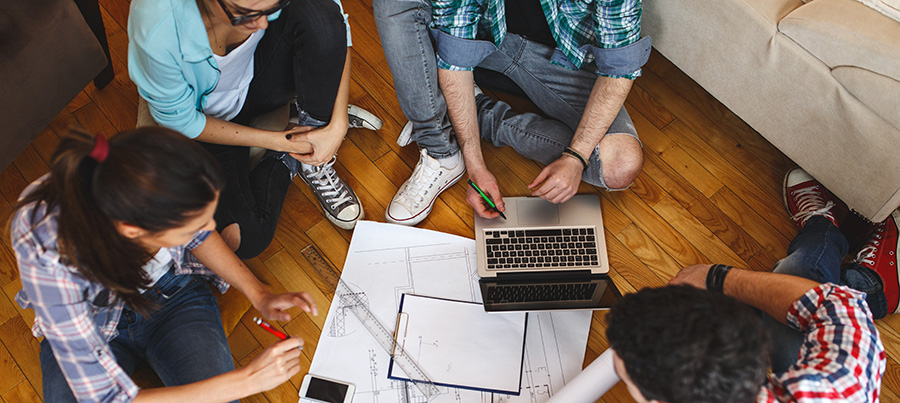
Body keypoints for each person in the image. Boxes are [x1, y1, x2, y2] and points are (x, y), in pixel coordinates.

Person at [14, 128, 318, 402]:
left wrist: (259, 293)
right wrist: (247, 380)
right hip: (89, 322)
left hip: (173, 298)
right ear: (134, 230)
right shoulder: (46, 250)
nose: (209, 227)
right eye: (191, 227)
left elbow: (200, 234)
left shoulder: (146, 182)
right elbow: (107, 399)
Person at [603, 167, 894, 402]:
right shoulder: (839, 390)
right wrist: (714, 276)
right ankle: (852, 263)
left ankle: (839, 247)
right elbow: (840, 309)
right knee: (794, 274)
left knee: (792, 277)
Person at [128, 0, 381, 258]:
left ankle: (315, 136)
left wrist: (337, 124)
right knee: (243, 239)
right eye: (245, 14)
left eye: (271, 7)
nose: (262, 24)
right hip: (209, 120)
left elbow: (335, 20)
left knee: (318, 13)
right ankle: (292, 154)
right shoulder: (157, 31)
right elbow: (181, 122)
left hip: (260, 75)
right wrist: (280, 142)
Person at [374, 0, 650, 226]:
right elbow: (456, 56)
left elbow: (618, 67)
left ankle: (481, 114)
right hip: (485, 44)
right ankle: (444, 145)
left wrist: (576, 157)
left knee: (619, 165)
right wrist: (475, 167)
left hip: (564, 59)